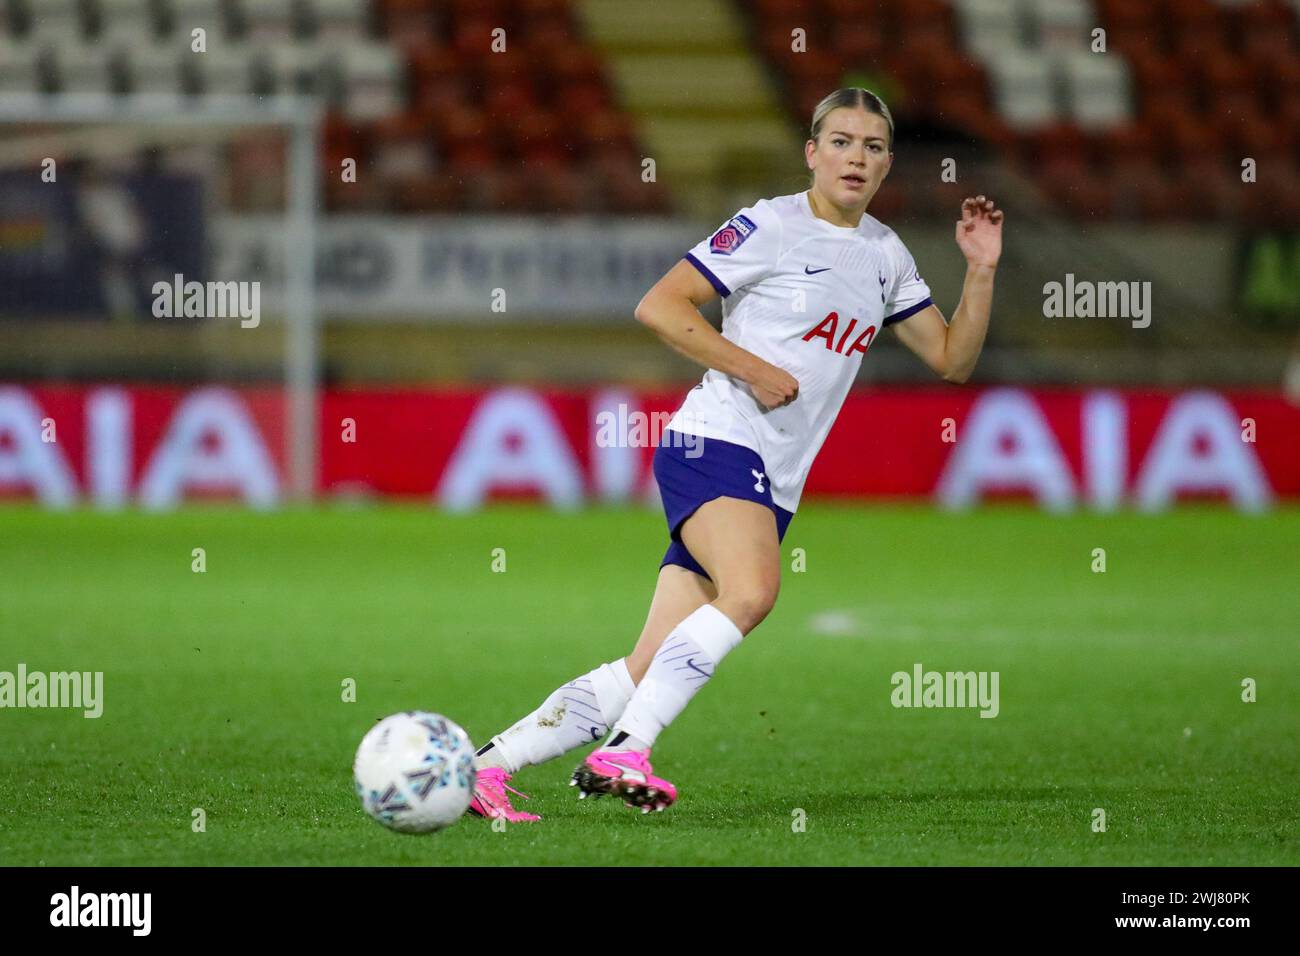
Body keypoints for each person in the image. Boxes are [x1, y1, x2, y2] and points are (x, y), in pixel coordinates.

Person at [468, 87, 1003, 820]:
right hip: (715, 441)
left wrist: (980, 271)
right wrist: (750, 366)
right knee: (752, 592)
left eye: (874, 146)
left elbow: (951, 359)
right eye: (841, 141)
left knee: (649, 662)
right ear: (812, 154)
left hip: (772, 478)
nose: (857, 157)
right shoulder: (769, 224)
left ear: (886, 165)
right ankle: (627, 750)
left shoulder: (885, 255)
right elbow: (660, 305)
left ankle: (489, 767)